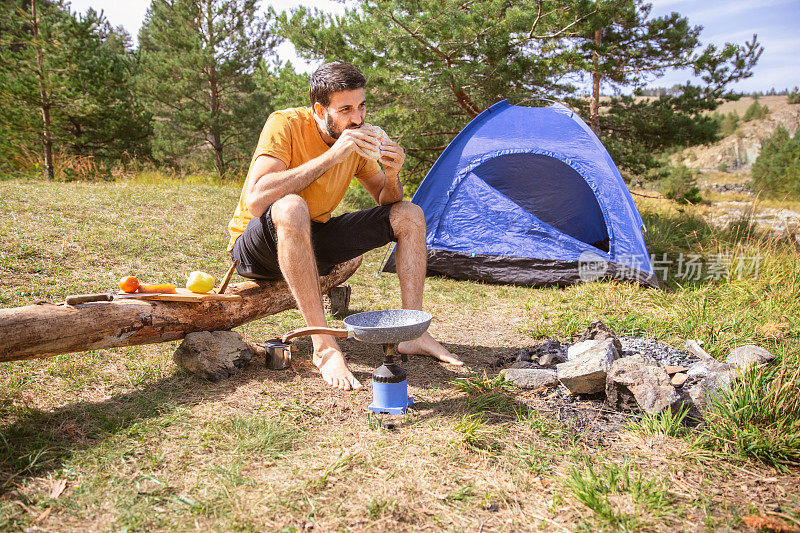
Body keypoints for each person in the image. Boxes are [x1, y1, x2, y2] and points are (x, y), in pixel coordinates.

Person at [226, 61, 463, 391]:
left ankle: (414, 332)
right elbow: (256, 199)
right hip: (257, 245)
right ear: (320, 109)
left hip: (313, 236)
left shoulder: (357, 139)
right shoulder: (285, 124)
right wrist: (331, 157)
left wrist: (392, 172)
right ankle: (324, 347)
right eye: (346, 109)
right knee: (293, 206)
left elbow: (386, 200)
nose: (357, 118)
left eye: (362, 106)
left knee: (409, 214)